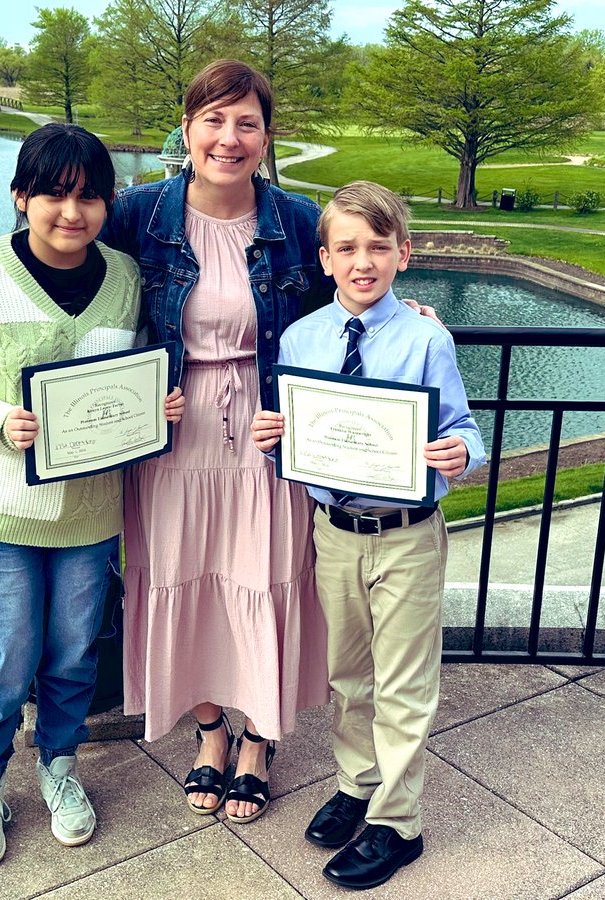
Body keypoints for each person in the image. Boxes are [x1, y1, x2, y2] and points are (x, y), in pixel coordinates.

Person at [0, 60, 467, 825]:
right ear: (185, 131)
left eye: (246, 122)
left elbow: (356, 278)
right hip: (172, 444)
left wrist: (405, 307)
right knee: (190, 584)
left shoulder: (295, 219)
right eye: (213, 121)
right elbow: (56, 235)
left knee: (263, 582)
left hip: (268, 440)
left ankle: (258, 740)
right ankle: (212, 732)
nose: (229, 138)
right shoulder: (140, 214)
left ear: (266, 134)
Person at [0, 123, 184, 866]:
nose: (73, 212)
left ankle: (59, 767)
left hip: (91, 517)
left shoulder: (126, 279)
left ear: (109, 202)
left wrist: (152, 408)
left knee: (70, 656)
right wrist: (0, 422)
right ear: (20, 197)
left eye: (90, 196)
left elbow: (129, 378)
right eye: (54, 195)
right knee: (3, 656)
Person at [250, 181, 485, 889]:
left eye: (378, 247)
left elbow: (465, 431)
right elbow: (299, 435)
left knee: (404, 683)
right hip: (335, 532)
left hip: (407, 534)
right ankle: (358, 784)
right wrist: (273, 441)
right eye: (347, 248)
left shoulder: (425, 337)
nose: (363, 261)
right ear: (324, 259)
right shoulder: (302, 338)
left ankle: (397, 823)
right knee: (349, 676)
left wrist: (460, 455)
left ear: (403, 254)